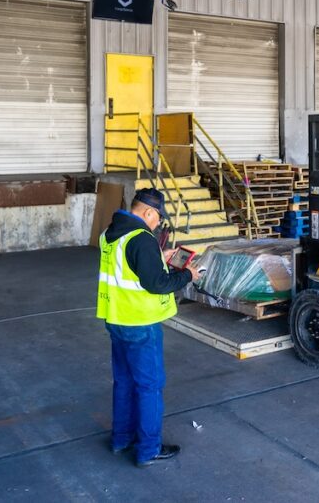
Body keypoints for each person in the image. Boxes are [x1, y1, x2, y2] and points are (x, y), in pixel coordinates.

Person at [97, 188, 201, 468]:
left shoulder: (110, 234)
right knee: (149, 387)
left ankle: (121, 439)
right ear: (148, 213)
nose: (157, 224)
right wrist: (186, 274)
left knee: (124, 382)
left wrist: (158, 257)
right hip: (140, 324)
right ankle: (148, 449)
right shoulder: (141, 239)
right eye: (157, 219)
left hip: (116, 319)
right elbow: (156, 284)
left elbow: (128, 268)